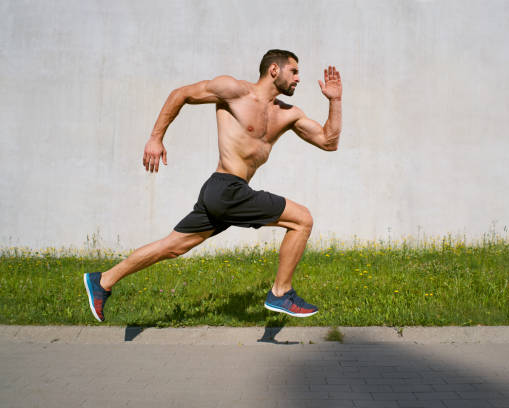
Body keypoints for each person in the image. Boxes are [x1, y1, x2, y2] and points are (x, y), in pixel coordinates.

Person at [84, 49, 342, 322]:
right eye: (294, 71)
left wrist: (335, 101)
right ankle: (281, 292)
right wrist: (155, 138)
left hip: (226, 193)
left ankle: (102, 281)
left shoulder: (288, 114)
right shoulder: (234, 91)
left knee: (172, 247)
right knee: (302, 220)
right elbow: (180, 94)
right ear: (274, 70)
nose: (298, 79)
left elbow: (329, 141)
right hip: (226, 188)